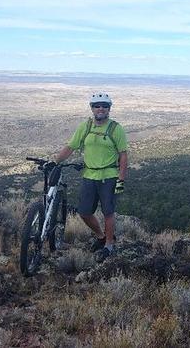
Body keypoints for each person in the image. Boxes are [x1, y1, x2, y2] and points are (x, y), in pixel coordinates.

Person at [49, 92, 128, 262]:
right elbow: (70, 147)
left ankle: (108, 245)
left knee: (108, 212)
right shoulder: (85, 127)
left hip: (109, 175)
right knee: (84, 212)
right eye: (97, 105)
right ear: (92, 108)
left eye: (104, 106)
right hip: (89, 175)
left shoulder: (116, 128)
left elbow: (123, 154)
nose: (101, 108)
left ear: (109, 109)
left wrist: (121, 179)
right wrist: (55, 162)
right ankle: (100, 236)